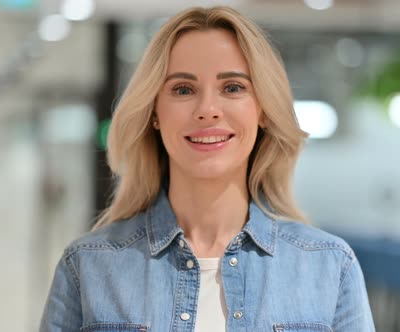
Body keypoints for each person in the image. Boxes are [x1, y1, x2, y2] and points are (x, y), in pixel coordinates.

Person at [40, 6, 375, 332]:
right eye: (183, 89)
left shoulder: (329, 265)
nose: (207, 110)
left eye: (232, 88)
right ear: (154, 111)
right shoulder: (88, 266)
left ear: (263, 110)